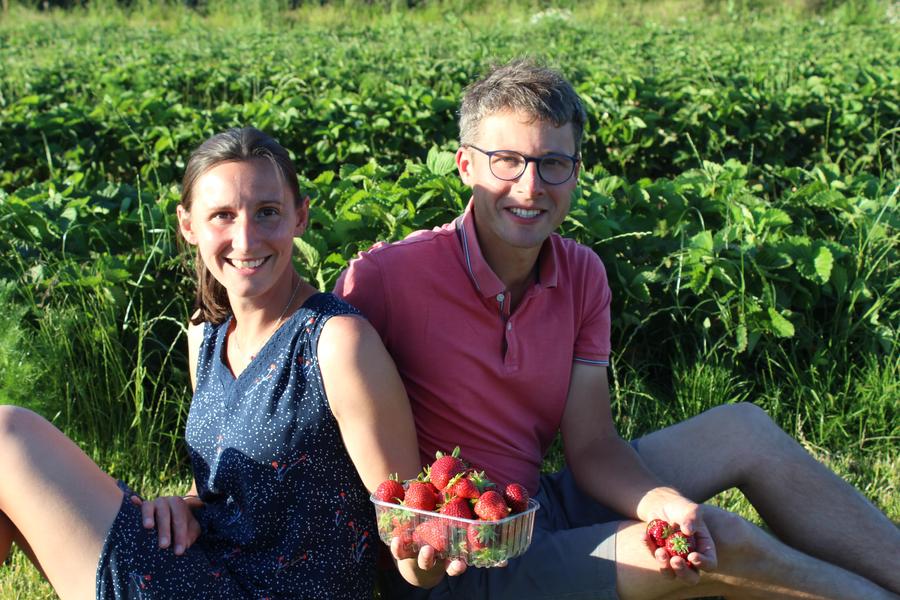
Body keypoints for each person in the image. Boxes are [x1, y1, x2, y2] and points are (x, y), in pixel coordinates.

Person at [334, 59, 900, 599]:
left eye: (554, 162)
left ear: (576, 169)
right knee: (716, 541)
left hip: (533, 507)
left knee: (743, 429)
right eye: (507, 160)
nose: (531, 186)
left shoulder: (582, 274)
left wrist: (658, 501)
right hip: (458, 559)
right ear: (466, 166)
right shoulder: (387, 276)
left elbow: (594, 446)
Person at [0, 127, 424, 599]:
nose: (245, 239)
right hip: (206, 570)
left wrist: (431, 556)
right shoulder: (205, 332)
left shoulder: (337, 343)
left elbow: (407, 520)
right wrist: (186, 503)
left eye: (268, 213)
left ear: (300, 217)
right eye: (222, 215)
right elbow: (254, 490)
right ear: (188, 225)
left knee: (7, 434)